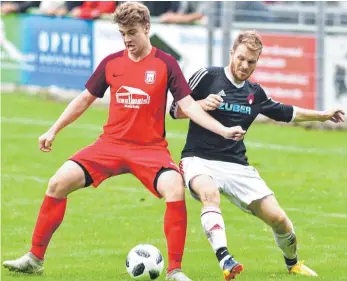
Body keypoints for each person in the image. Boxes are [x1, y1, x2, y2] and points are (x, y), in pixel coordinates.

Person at [2, 2, 246, 281]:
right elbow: (84, 99)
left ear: (147, 28)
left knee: (174, 188)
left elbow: (189, 106)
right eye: (122, 33)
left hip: (150, 150)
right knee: (57, 182)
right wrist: (53, 130)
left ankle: (174, 271)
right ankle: (35, 258)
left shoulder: (166, 63)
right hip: (110, 145)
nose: (127, 39)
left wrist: (223, 130)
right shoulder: (112, 63)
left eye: (132, 32)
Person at [169, 30, 345, 280]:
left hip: (237, 166)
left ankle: (293, 264)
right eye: (240, 58)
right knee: (210, 194)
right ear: (232, 53)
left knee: (280, 221)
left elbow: (286, 112)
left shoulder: (255, 93)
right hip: (199, 159)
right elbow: (174, 109)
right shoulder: (207, 76)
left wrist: (323, 114)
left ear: (257, 61)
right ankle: (225, 259)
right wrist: (199, 105)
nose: (244, 65)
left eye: (251, 62)